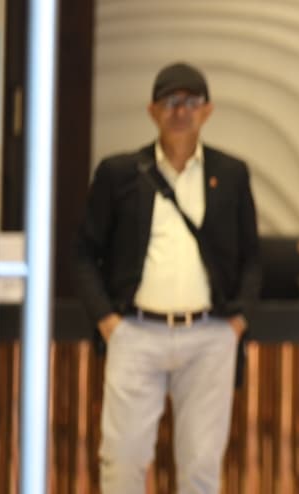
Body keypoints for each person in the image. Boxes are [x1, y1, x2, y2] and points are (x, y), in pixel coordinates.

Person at [70, 63, 259, 494]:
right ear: (152, 110)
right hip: (135, 331)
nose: (181, 111)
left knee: (201, 466)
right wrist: (108, 321)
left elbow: (252, 256)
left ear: (207, 110)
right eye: (171, 102)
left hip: (210, 334)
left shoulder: (231, 174)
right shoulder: (120, 172)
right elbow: (82, 252)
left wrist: (238, 321)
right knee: (123, 461)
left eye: (191, 102)